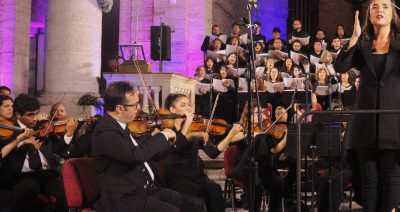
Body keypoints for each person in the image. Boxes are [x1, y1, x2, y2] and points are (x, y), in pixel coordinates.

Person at [333, 0, 400, 211]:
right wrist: (353, 37)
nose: (380, 10)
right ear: (369, 15)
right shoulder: (362, 42)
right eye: (375, 7)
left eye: (385, 7)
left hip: (393, 119)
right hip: (365, 120)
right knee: (368, 179)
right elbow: (340, 67)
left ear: (393, 13)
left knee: (391, 176)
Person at [91, 81, 206, 212]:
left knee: (197, 205)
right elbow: (136, 156)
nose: (139, 107)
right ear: (120, 108)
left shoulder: (125, 126)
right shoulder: (106, 131)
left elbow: (156, 155)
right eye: (135, 105)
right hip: (124, 198)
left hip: (144, 190)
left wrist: (175, 137)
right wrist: (162, 135)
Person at [161, 94, 244, 212]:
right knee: (200, 193)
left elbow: (213, 152)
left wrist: (230, 135)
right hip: (177, 177)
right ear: (172, 109)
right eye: (183, 105)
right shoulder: (168, 131)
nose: (189, 108)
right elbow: (175, 146)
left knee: (215, 190)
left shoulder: (197, 127)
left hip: (197, 175)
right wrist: (190, 133)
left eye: (189, 105)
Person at [0, 94, 70, 212]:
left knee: (62, 194)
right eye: (30, 115)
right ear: (18, 115)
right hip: (20, 175)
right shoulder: (9, 130)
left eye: (36, 113)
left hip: (45, 173)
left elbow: (60, 150)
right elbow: (5, 151)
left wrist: (67, 134)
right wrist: (22, 139)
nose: (34, 118)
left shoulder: (43, 126)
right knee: (25, 191)